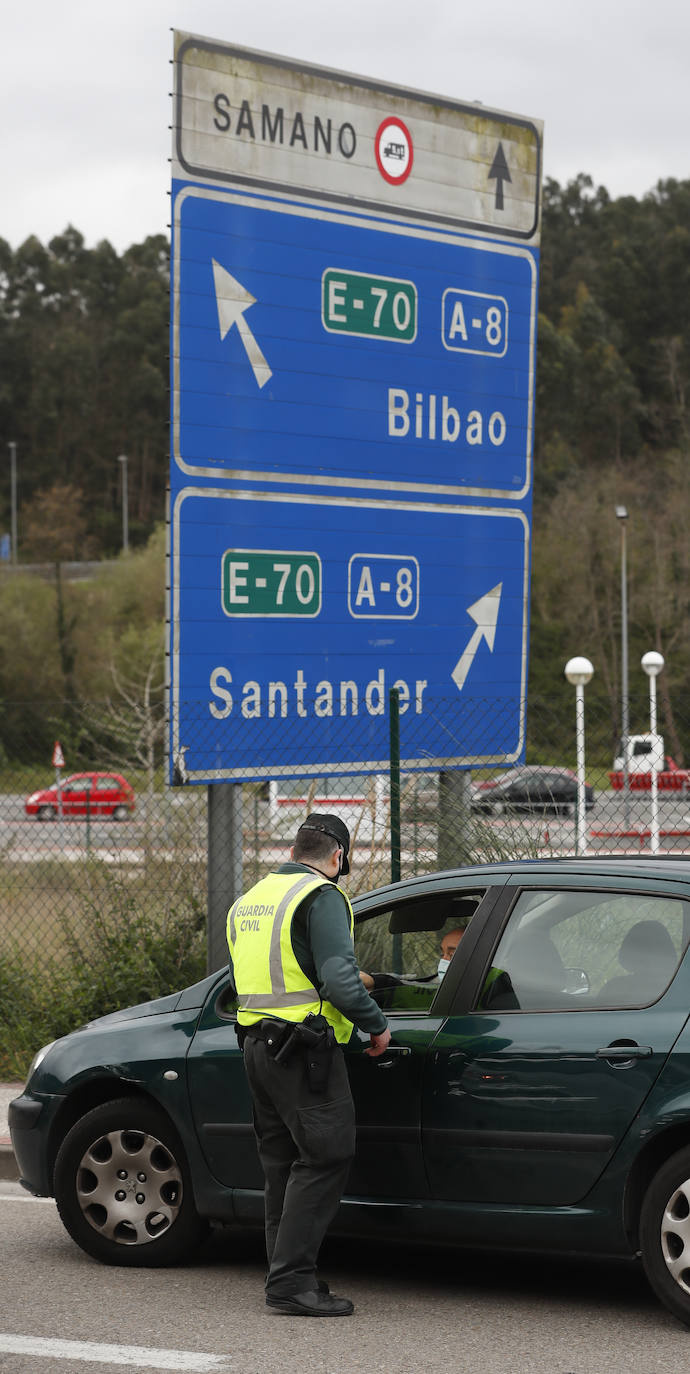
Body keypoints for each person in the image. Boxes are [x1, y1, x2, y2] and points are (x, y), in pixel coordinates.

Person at [226, 812, 391, 1318]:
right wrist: (377, 1024)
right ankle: (293, 1281)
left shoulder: (250, 900)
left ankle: (283, 1271)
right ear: (337, 856)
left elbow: (277, 971)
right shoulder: (322, 897)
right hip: (303, 1053)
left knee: (282, 1164)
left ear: (295, 848)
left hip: (256, 1047)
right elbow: (338, 982)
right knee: (325, 1156)